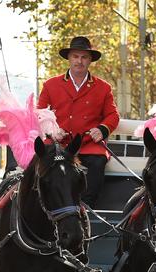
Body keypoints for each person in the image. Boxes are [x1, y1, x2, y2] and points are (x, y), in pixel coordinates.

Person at [37, 36, 120, 207]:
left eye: (84, 57)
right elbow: (40, 114)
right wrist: (52, 131)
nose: (79, 61)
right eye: (75, 56)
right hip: (59, 144)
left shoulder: (103, 87)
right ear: (69, 58)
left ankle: (85, 208)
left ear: (90, 60)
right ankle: (46, 207)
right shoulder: (50, 85)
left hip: (88, 145)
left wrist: (102, 130)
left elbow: (113, 115)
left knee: (97, 163)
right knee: (43, 166)